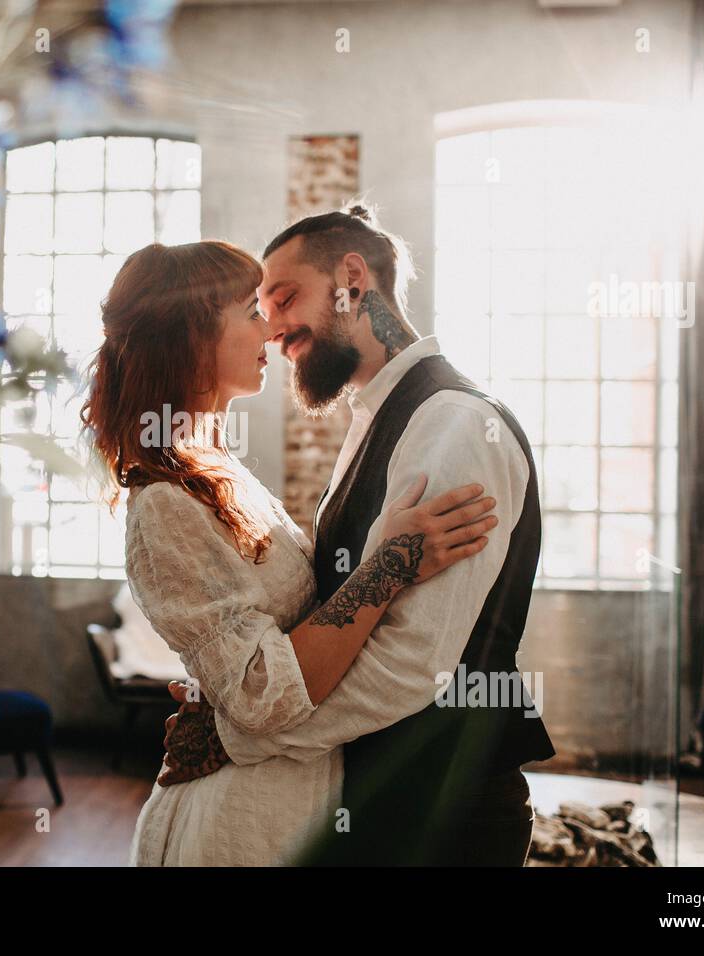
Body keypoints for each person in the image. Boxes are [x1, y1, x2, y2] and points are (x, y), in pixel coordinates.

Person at [156, 205, 557, 865]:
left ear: (351, 278)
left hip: (446, 813)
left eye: (284, 298)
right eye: (261, 308)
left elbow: (411, 664)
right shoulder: (374, 418)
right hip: (383, 797)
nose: (275, 327)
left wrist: (238, 735)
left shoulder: (454, 424)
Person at [81, 239, 497, 865]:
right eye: (251, 310)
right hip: (236, 825)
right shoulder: (165, 503)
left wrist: (217, 707)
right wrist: (390, 566)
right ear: (192, 336)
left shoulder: (216, 470)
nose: (270, 329)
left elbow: (257, 668)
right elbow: (261, 695)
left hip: (287, 800)